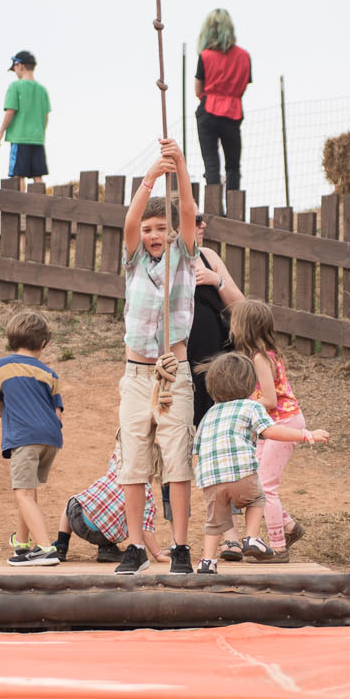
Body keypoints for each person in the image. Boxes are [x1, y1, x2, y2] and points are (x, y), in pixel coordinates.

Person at [115, 138, 197, 578]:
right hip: (136, 375)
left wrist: (180, 167)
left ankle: (180, 545)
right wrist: (152, 175)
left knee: (177, 459)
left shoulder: (183, 258)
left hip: (173, 374)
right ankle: (133, 546)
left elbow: (185, 212)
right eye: (148, 230)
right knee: (134, 461)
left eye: (159, 230)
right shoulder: (132, 264)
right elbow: (129, 221)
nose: (152, 236)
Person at [192, 351, 328, 574]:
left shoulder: (209, 413)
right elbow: (271, 430)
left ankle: (207, 562)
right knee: (257, 496)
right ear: (249, 384)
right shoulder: (251, 406)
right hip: (242, 476)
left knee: (215, 521)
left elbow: (197, 447)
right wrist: (305, 434)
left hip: (210, 480)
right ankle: (251, 538)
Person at [229, 297, 310, 563]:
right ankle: (287, 527)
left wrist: (242, 404)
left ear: (245, 327)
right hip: (269, 425)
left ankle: (278, 547)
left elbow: (271, 400)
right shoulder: (258, 355)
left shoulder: (260, 358)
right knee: (256, 480)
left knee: (265, 486)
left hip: (283, 423)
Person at [0, 308, 63, 566]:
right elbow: (58, 413)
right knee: (29, 491)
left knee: (22, 493)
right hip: (51, 438)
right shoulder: (50, 374)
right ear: (43, 344)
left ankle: (45, 548)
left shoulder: (0, 367)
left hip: (24, 437)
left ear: (10, 339)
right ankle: (22, 543)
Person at [54, 442, 165, 565]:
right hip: (105, 535)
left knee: (74, 501)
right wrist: (158, 554)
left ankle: (61, 545)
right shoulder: (147, 496)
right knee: (128, 517)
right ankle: (107, 549)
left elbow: (120, 443)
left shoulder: (118, 465)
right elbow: (145, 529)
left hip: (78, 520)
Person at [186, 212, 244, 427]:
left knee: (212, 422)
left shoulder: (207, 256)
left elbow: (240, 306)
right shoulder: (162, 262)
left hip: (214, 358)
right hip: (181, 359)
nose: (203, 224)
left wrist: (217, 280)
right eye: (196, 218)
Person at [194, 9, 251, 197]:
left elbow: (198, 90)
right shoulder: (244, 56)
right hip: (233, 112)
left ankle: (213, 206)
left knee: (211, 163)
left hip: (209, 109)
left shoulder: (205, 56)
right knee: (233, 165)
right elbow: (243, 87)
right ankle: (234, 209)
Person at [0, 51, 51, 182]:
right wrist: (40, 132)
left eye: (14, 68)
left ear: (20, 65)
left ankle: (19, 202)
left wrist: (1, 132)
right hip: (37, 138)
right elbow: (46, 116)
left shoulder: (15, 86)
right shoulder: (42, 90)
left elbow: (10, 111)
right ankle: (40, 201)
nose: (15, 72)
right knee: (37, 175)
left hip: (19, 137)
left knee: (18, 175)